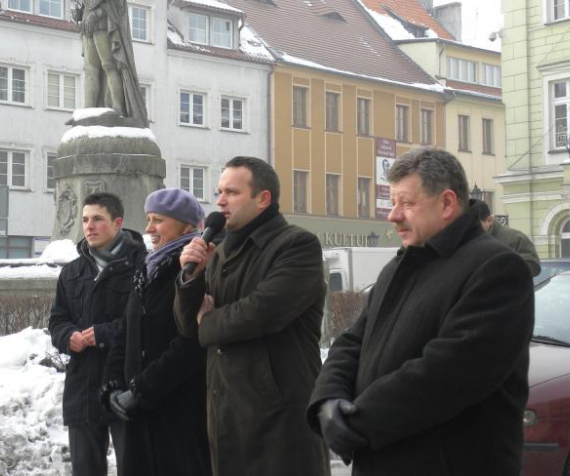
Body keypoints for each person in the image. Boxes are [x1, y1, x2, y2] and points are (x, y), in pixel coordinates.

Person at [308, 148, 534, 476]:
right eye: (392, 203)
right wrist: (328, 399)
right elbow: (353, 341)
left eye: (407, 203)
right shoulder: (401, 264)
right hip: (383, 457)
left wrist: (356, 422)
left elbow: (448, 373)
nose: (393, 215)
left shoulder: (496, 267)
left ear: (446, 203)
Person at [175, 156, 329, 476]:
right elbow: (187, 325)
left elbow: (261, 312)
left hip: (278, 416)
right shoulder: (221, 254)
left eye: (231, 192)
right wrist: (189, 280)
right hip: (227, 409)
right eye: (219, 192)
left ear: (263, 199)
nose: (219, 201)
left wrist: (209, 323)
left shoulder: (297, 245)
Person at [102, 188, 210, 476]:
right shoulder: (148, 267)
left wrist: (141, 390)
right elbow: (127, 329)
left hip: (180, 411)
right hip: (141, 411)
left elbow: (191, 343)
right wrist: (113, 383)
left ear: (186, 225)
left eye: (158, 220)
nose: (148, 228)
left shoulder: (196, 267)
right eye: (149, 219)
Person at [48, 192, 146, 476]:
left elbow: (146, 321)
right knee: (85, 469)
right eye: (85, 220)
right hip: (83, 387)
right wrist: (68, 337)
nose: (89, 226)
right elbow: (57, 320)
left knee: (135, 465)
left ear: (118, 223)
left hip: (125, 384)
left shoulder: (141, 266)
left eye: (97, 219)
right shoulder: (72, 272)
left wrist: (103, 334)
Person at [75, 0, 148, 124]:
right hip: (88, 28)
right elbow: (89, 1)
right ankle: (89, 111)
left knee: (109, 64)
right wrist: (80, 14)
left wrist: (96, 14)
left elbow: (117, 5)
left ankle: (117, 106)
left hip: (104, 27)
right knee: (90, 69)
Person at [477, 199, 541, 276]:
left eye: (477, 225)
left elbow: (533, 266)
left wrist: (501, 267)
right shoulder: (469, 242)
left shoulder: (515, 238)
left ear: (489, 220)